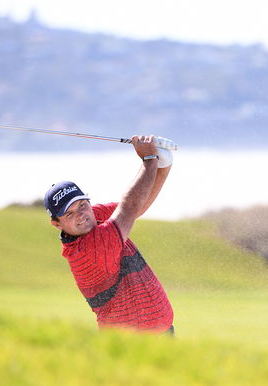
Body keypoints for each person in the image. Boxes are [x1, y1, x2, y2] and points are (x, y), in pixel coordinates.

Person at [44, 135, 174, 334]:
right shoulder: (88, 250)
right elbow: (129, 207)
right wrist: (149, 160)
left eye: (82, 205)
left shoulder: (92, 218)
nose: (81, 215)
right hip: (128, 345)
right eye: (69, 213)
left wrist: (163, 164)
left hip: (162, 336)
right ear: (56, 224)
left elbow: (138, 205)